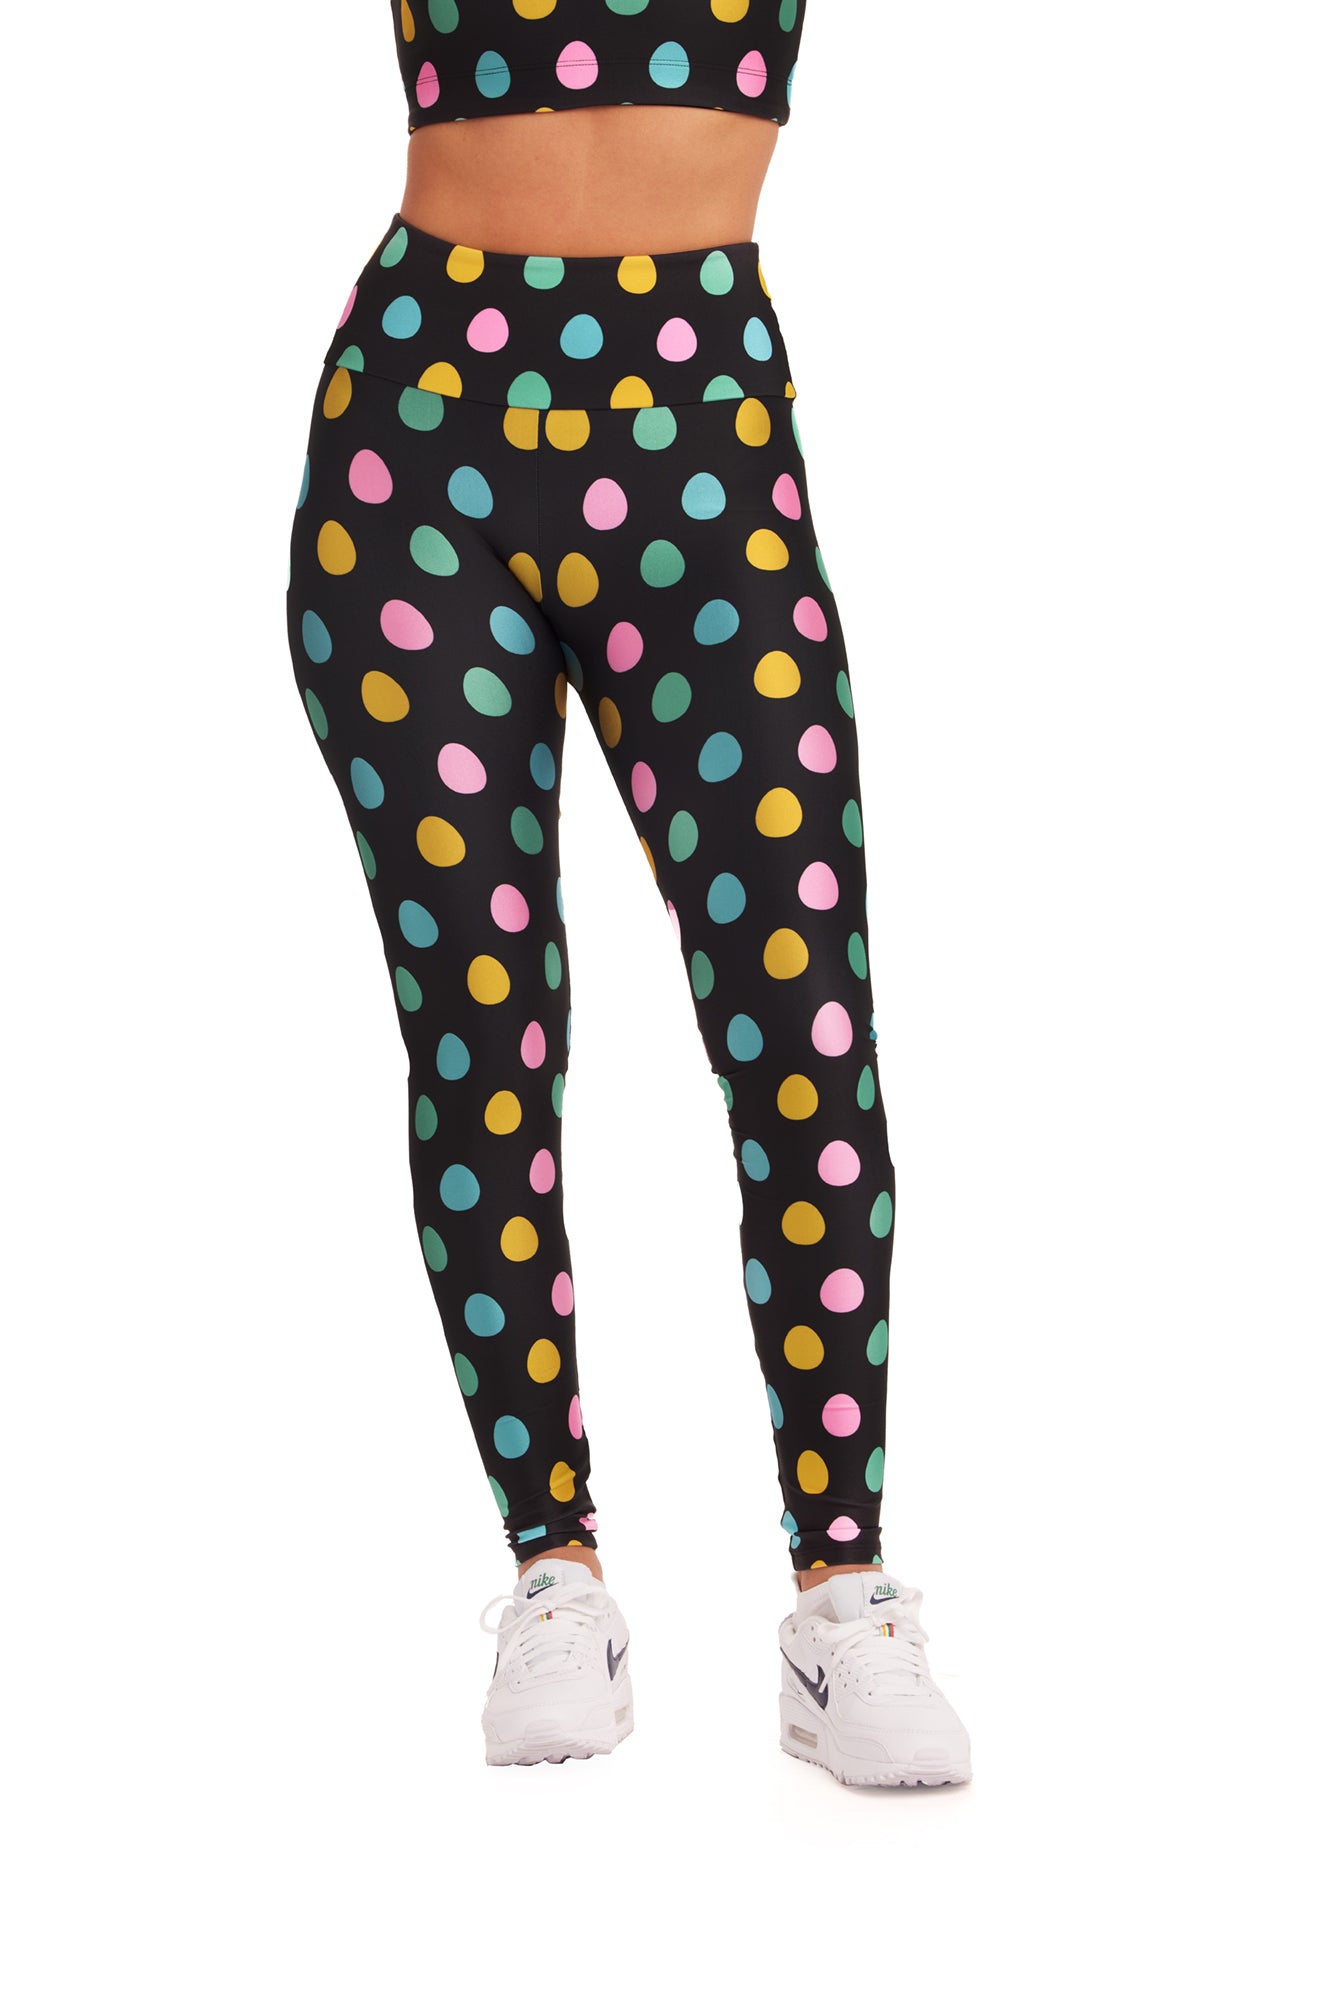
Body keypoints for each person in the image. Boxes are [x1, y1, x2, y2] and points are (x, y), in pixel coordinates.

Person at [285, 0, 970, 1789]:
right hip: (413, 445)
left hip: (699, 443)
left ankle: (840, 1596)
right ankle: (552, 1571)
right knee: (480, 1032)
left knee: (800, 1025)